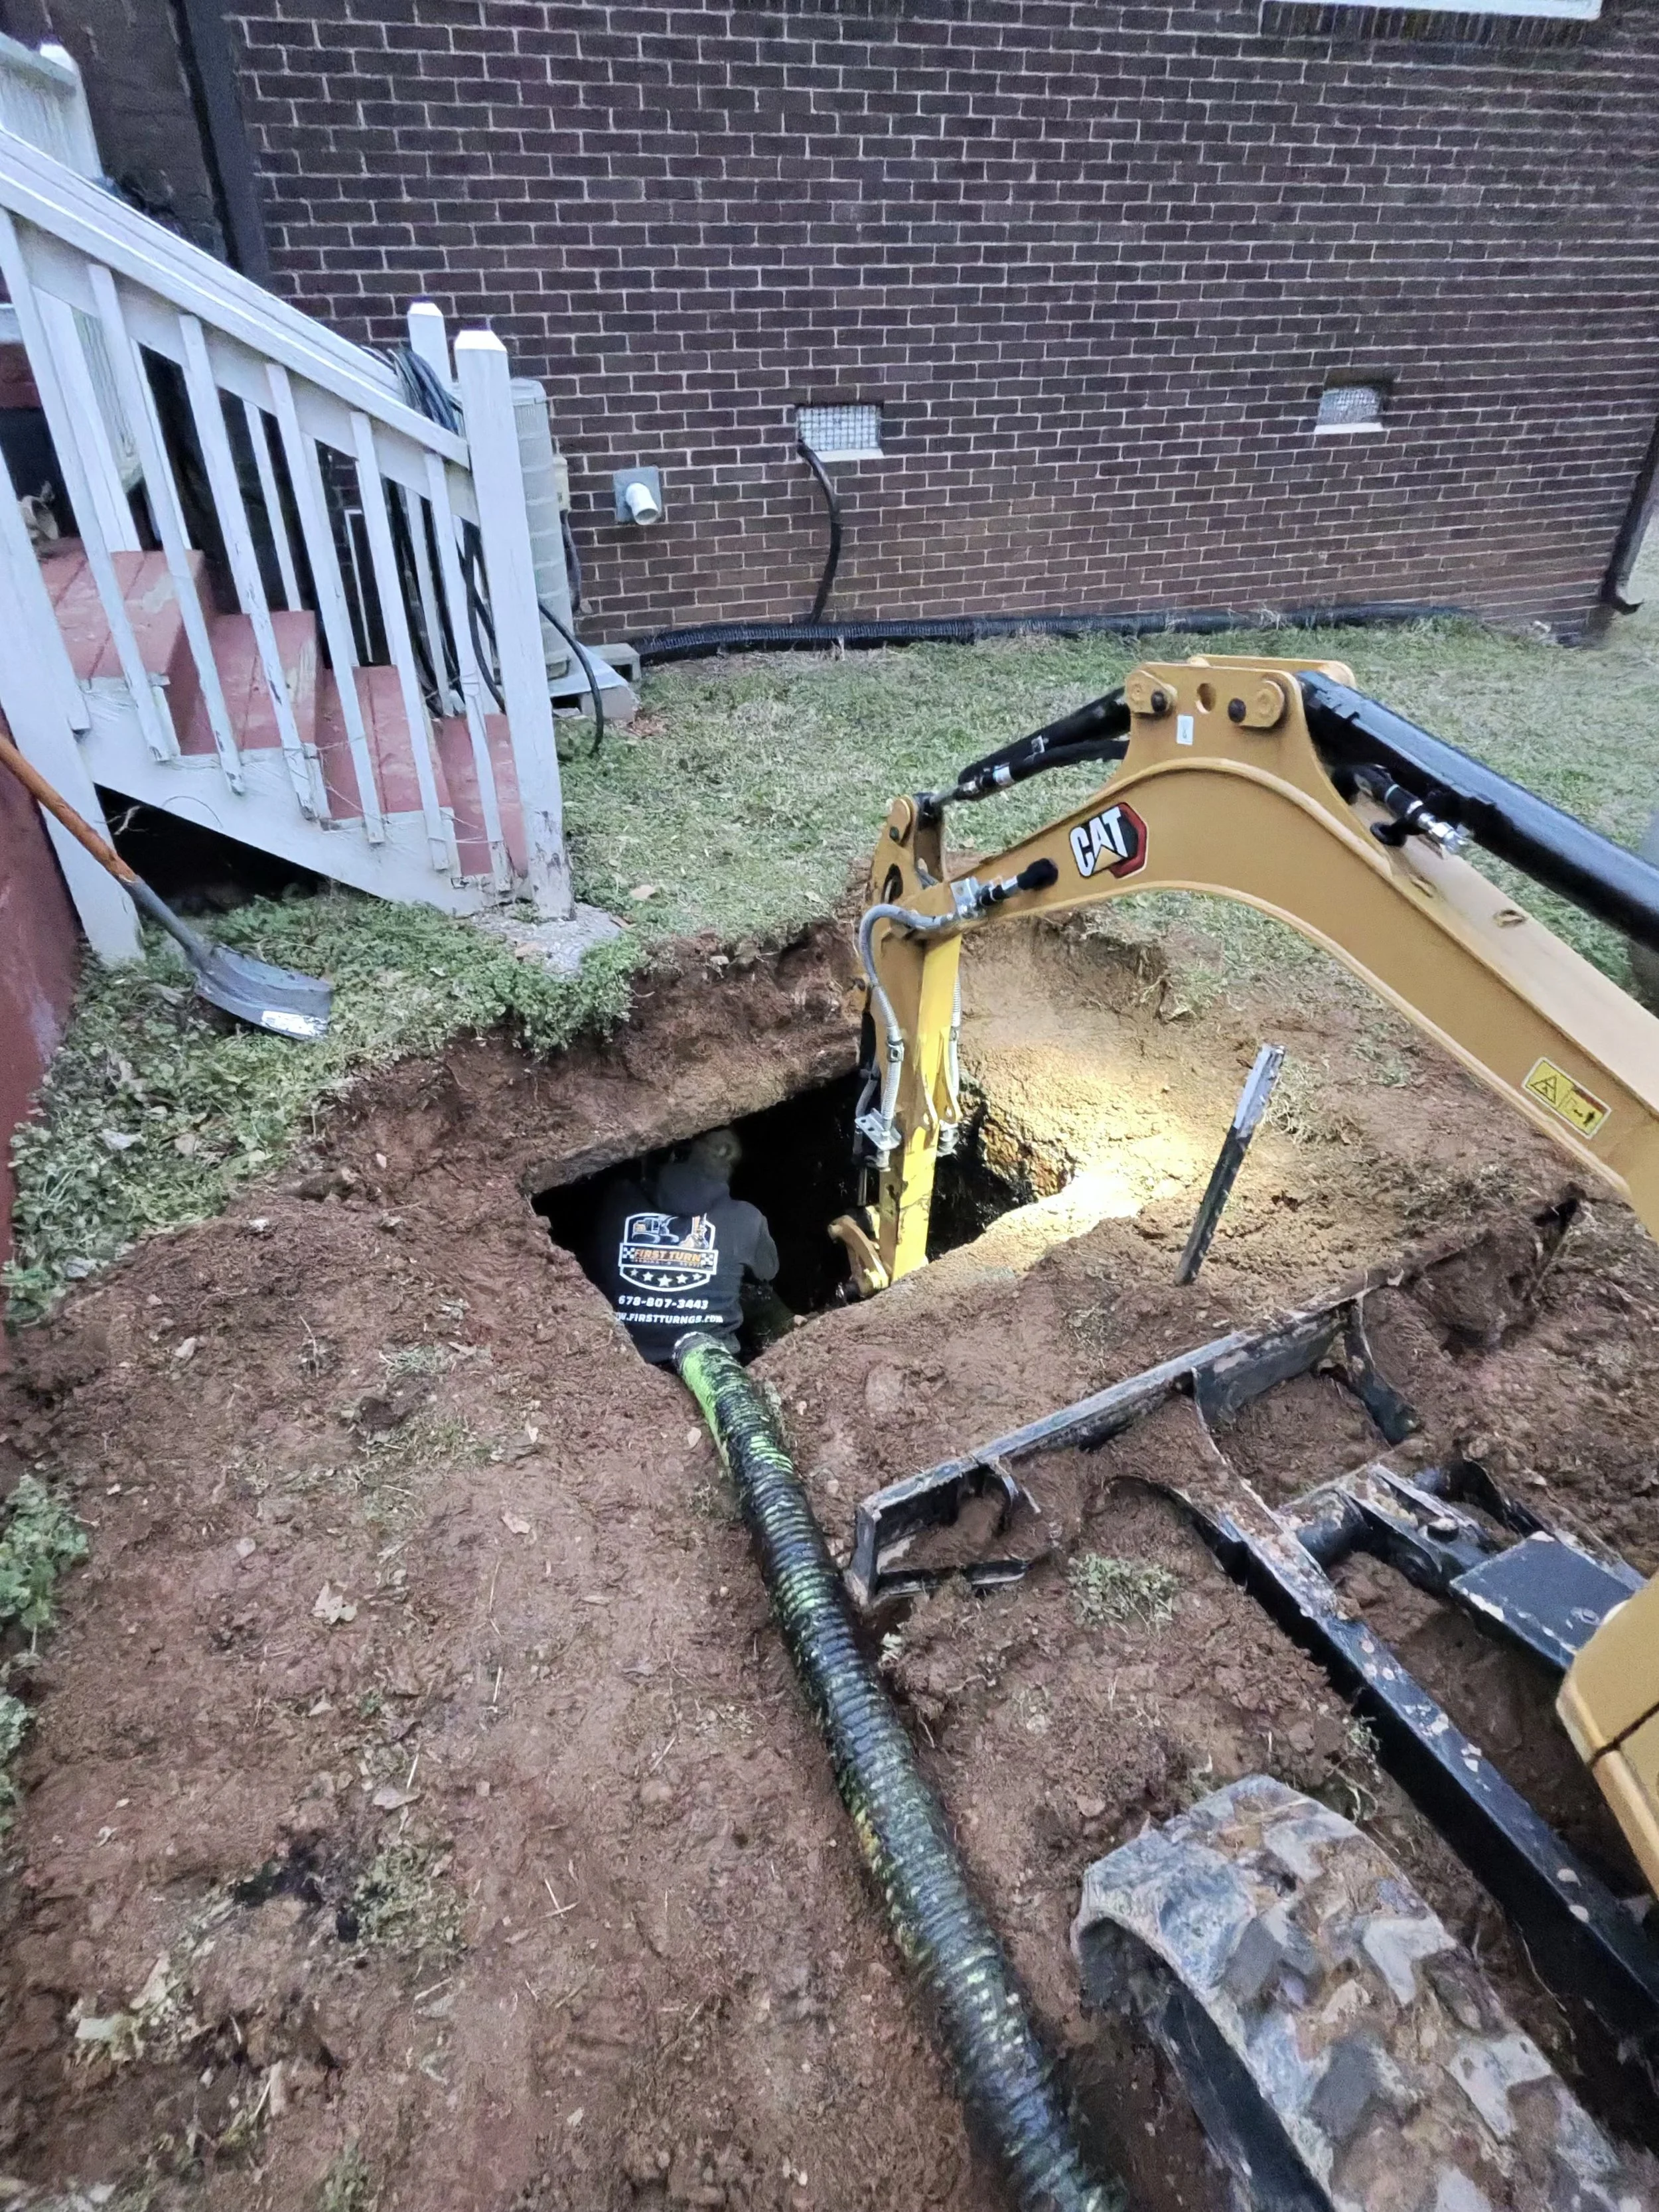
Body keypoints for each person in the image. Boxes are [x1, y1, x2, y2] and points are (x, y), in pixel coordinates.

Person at [591, 1129, 784, 1365]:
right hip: (710, 1362)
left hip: (625, 1358)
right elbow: (768, 1272)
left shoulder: (615, 1201)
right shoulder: (748, 1218)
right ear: (729, 1168)